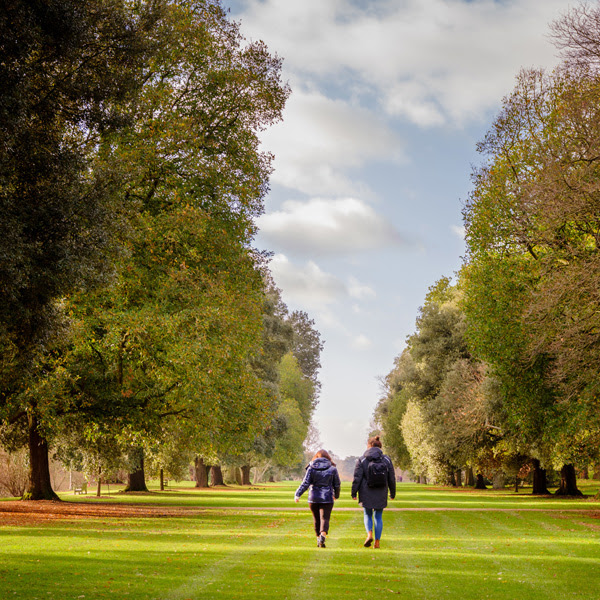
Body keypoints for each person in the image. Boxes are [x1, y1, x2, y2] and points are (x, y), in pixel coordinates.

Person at [351, 435, 396, 549]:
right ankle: (377, 542)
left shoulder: (362, 459)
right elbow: (391, 477)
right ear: (380, 446)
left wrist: (354, 492)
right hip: (381, 490)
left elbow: (357, 477)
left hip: (366, 490)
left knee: (367, 514)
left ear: (369, 446)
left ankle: (369, 534)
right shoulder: (386, 460)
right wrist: (392, 492)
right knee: (378, 516)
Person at [295, 449, 341, 548]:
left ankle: (318, 539)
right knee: (325, 518)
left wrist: (297, 494)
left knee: (316, 519)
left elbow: (305, 483)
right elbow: (337, 484)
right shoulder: (332, 468)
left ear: (316, 457)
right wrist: (336, 495)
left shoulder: (311, 468)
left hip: (313, 498)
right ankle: (323, 535)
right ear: (328, 457)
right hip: (327, 497)